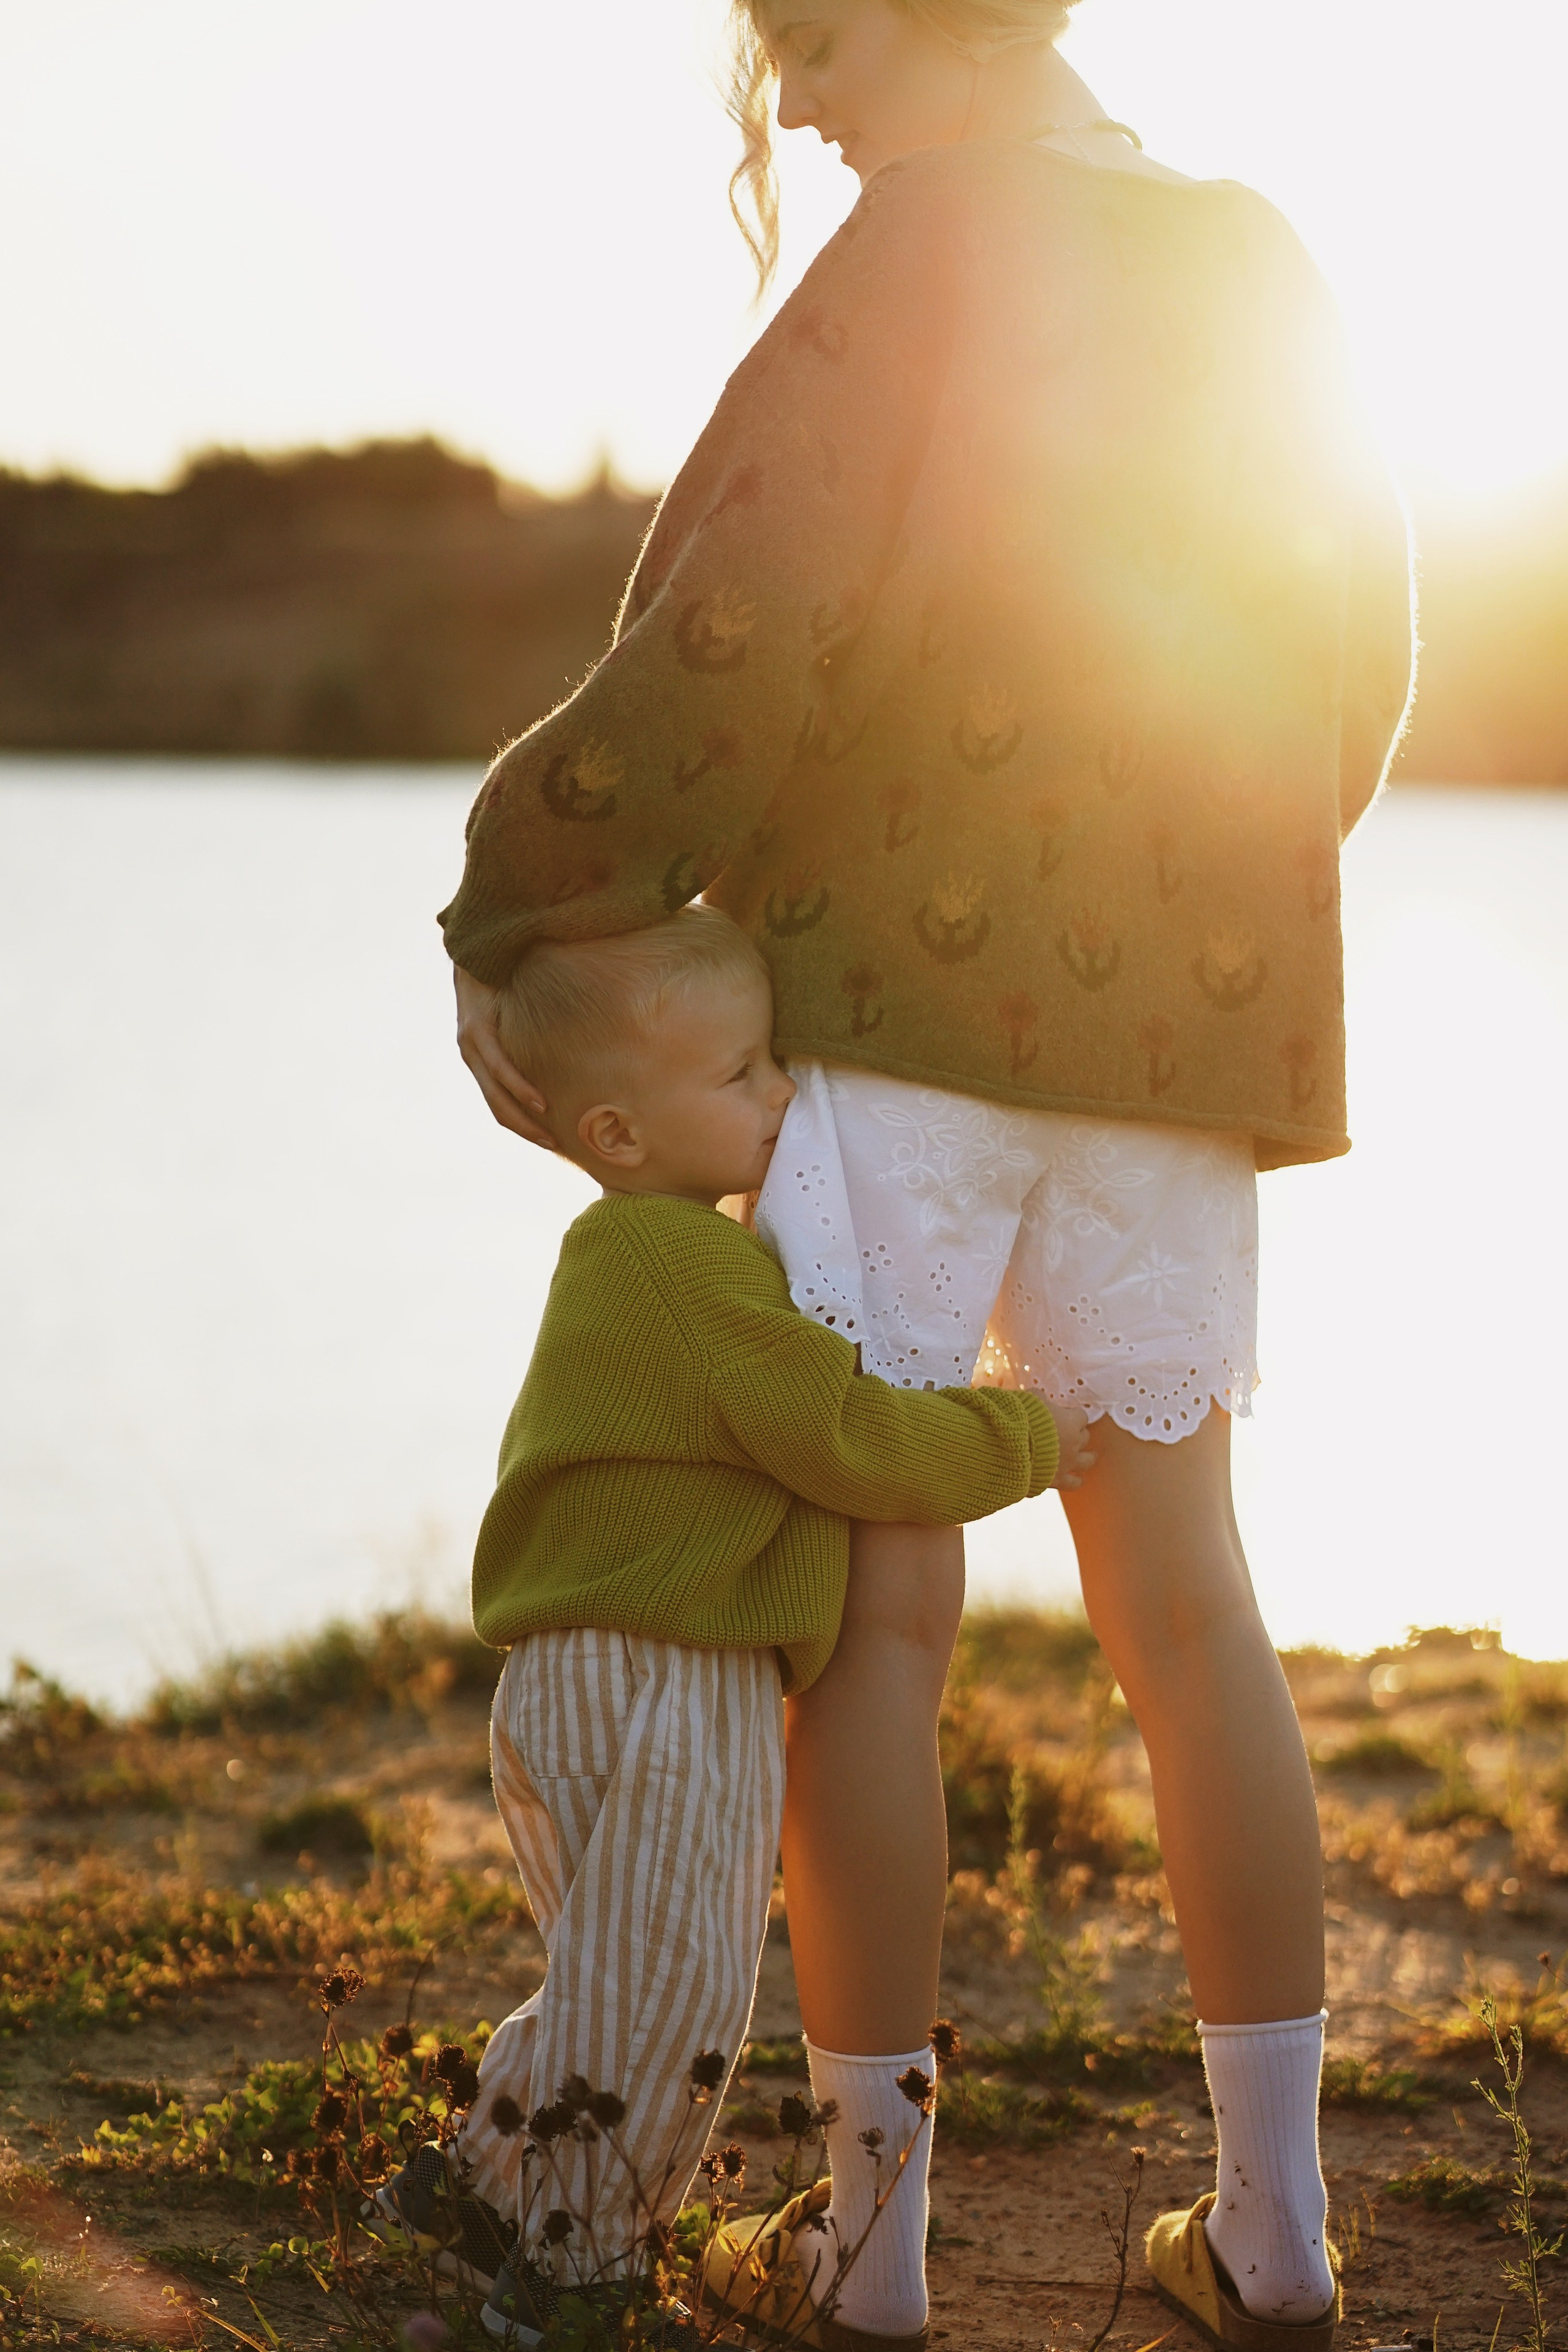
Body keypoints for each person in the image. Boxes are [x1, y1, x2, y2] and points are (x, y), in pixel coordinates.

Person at [439, 3, 1415, 2345]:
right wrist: (1206, 934)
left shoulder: (908, 267)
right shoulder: (1252, 254)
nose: (792, 90)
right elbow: (1358, 660)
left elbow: (731, 643)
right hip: (1181, 1038)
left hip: (882, 1018)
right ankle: (1274, 2241)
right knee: (1196, 1618)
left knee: (879, 1619)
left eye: (821, 28)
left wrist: (514, 887)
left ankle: (875, 2255)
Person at [378, 902, 1088, 2345]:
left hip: (580, 1677)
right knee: (680, 1996)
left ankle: (474, 2195)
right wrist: (1027, 1438)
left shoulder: (638, 1260)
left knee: (620, 1982)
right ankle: (570, 2269)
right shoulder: (684, 1270)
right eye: (745, 1075)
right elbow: (839, 1435)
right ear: (619, 1132)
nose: (783, 1101)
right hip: (662, 1678)